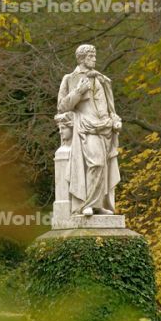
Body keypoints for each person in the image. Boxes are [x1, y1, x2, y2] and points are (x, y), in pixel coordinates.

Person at [57, 44, 121, 215]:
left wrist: (114, 119)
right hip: (86, 128)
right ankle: (86, 204)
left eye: (94, 55)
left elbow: (109, 106)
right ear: (82, 58)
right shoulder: (70, 78)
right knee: (96, 163)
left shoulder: (100, 79)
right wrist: (78, 92)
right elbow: (62, 106)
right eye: (91, 56)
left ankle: (98, 204)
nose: (94, 59)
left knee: (103, 167)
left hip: (105, 129)